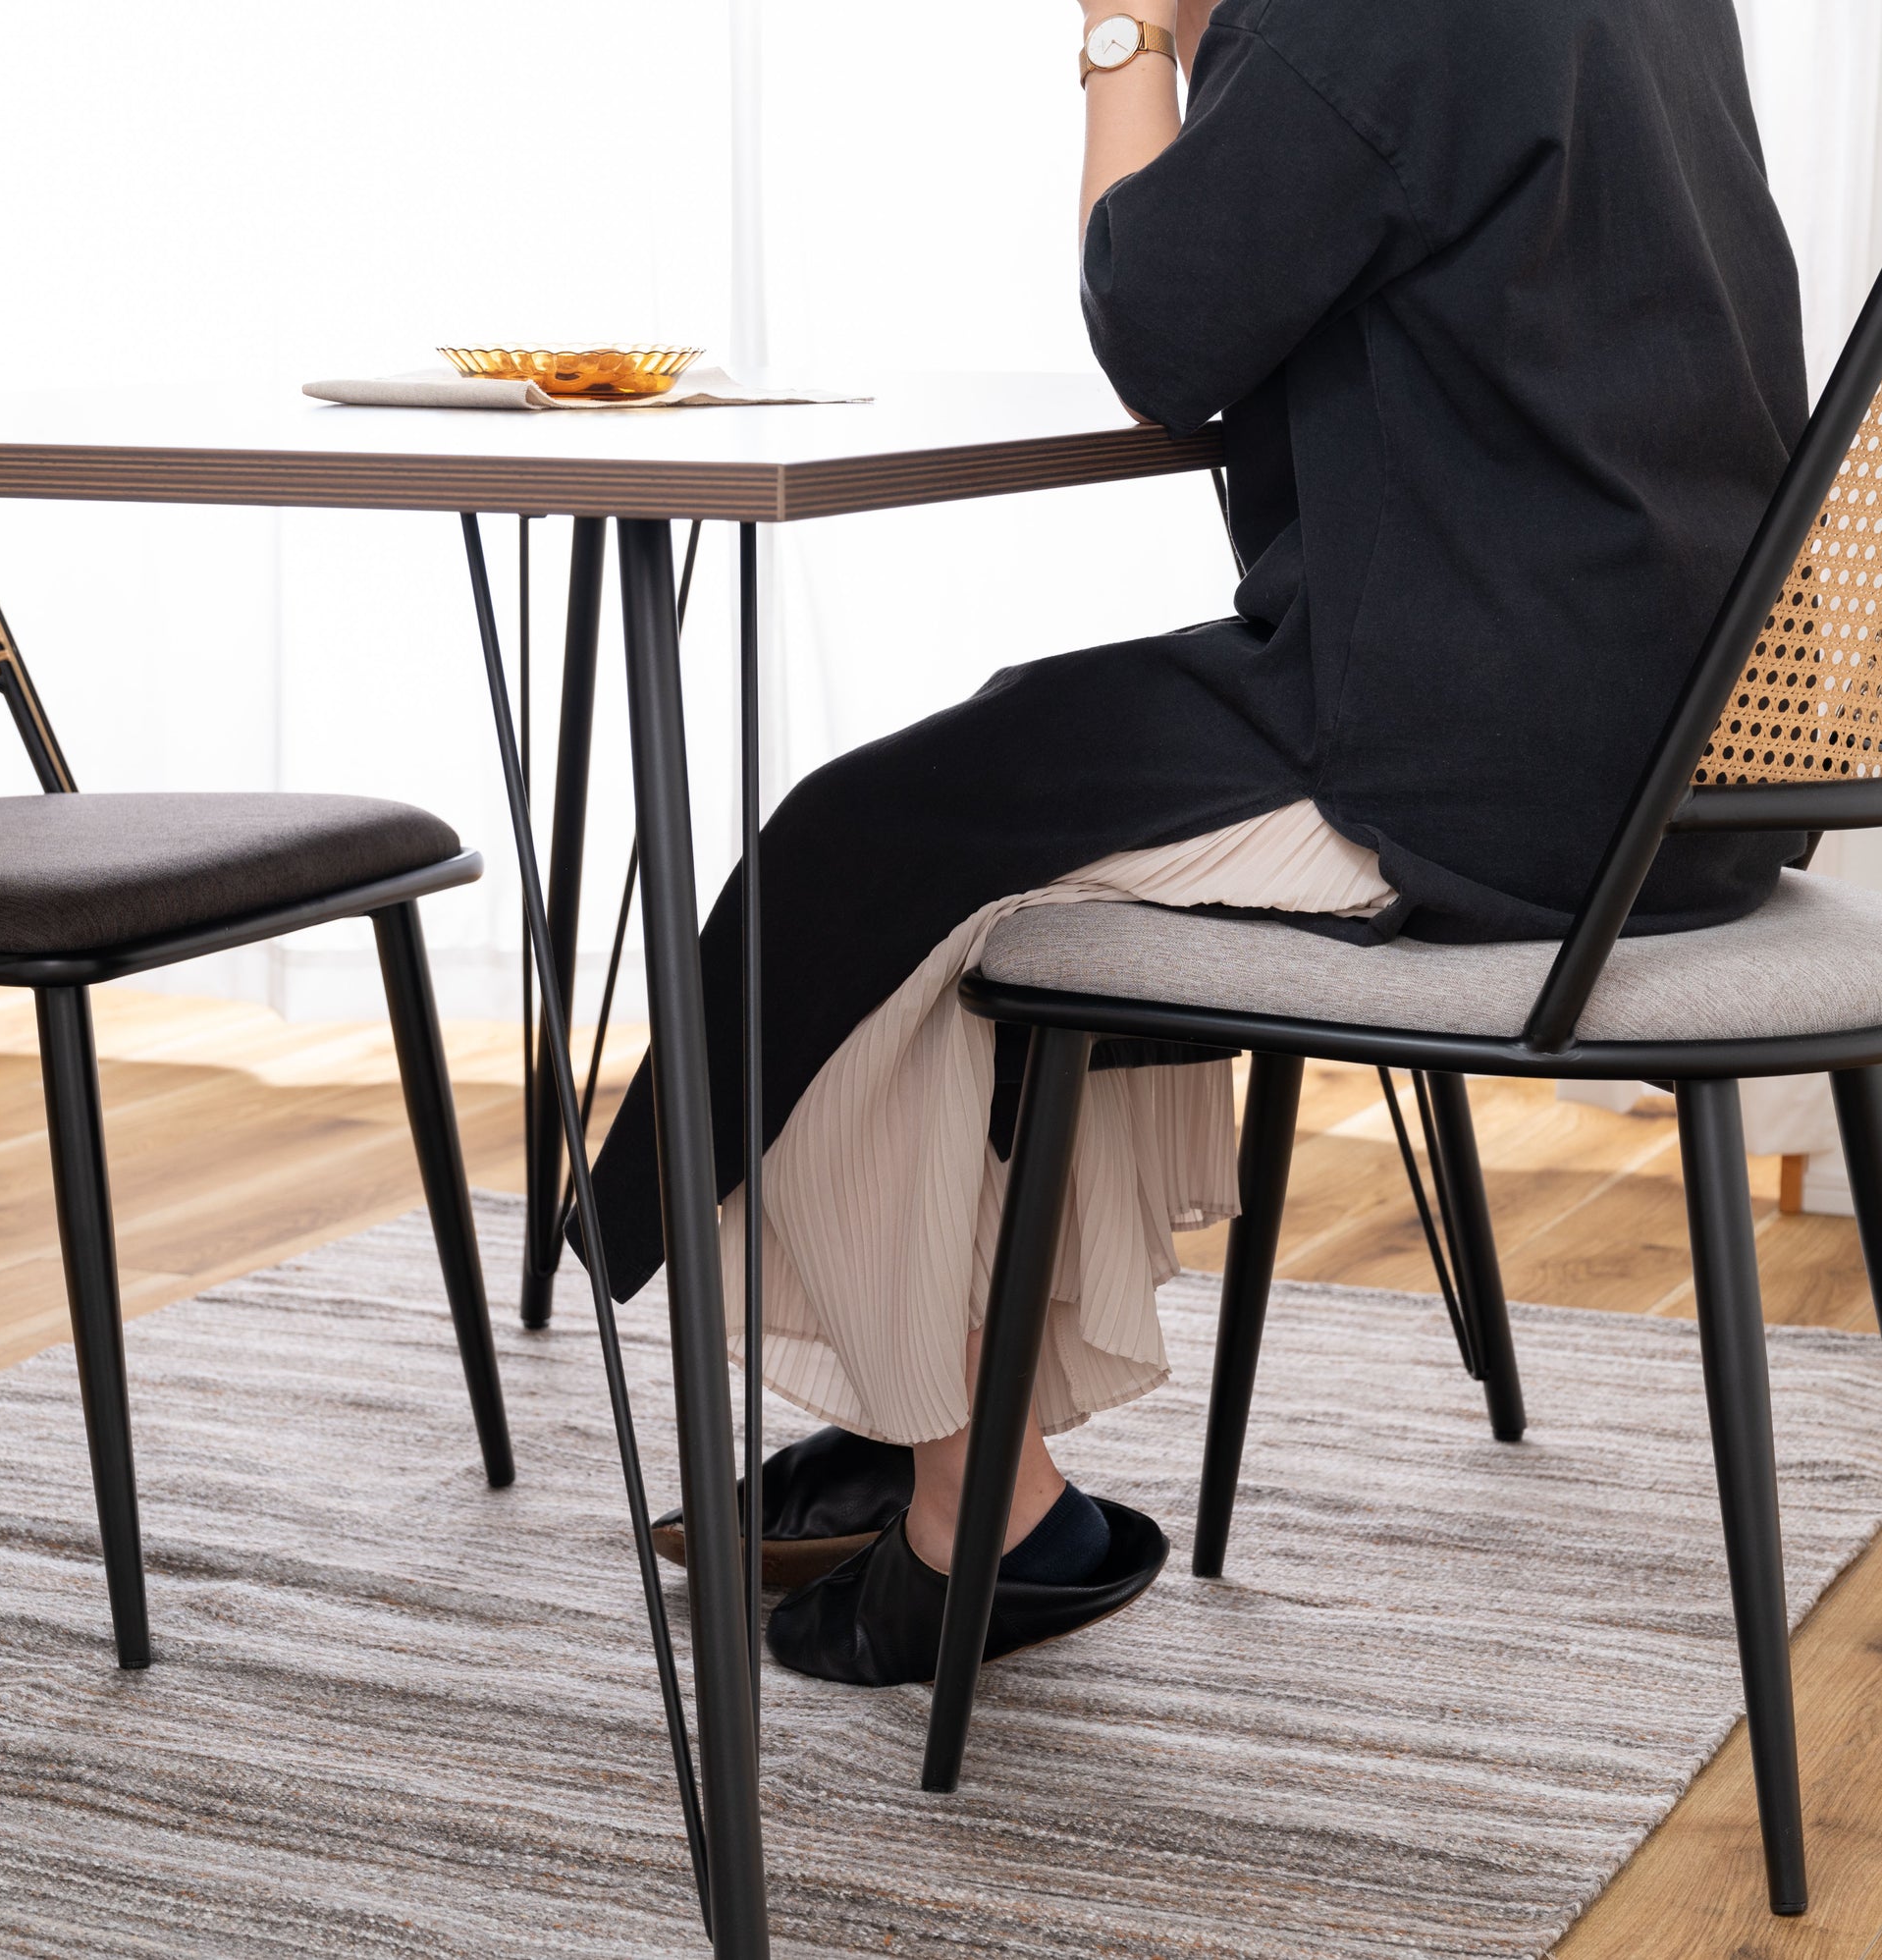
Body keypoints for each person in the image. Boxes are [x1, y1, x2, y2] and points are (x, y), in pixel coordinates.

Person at [604, 0, 1809, 1684]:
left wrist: (1124, 37)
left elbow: (1161, 333)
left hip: (1480, 760)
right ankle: (926, 1417)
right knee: (983, 789)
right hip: (1690, 752)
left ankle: (983, 1511)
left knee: (866, 854)